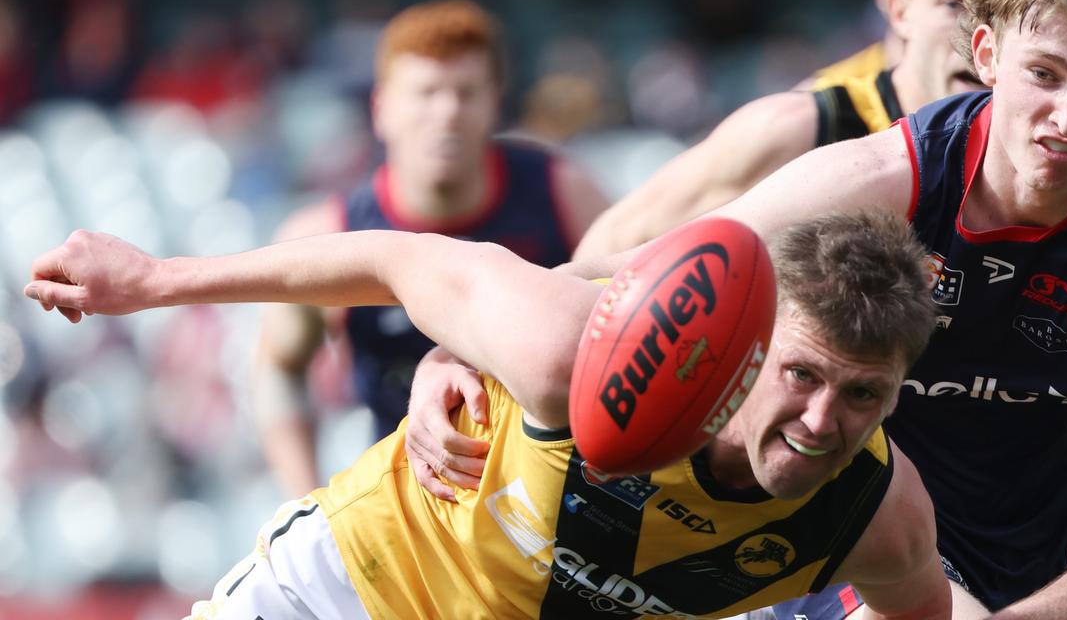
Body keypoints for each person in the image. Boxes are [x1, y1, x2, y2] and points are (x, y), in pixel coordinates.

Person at [418, 0, 1067, 618]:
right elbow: (637, 273)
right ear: (985, 54)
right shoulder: (871, 171)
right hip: (822, 513)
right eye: (1044, 76)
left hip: (1011, 562)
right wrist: (455, 348)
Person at [26, 212, 952, 619]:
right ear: (746, 348)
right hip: (346, 593)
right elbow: (399, 261)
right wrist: (154, 284)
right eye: (800, 375)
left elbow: (915, 612)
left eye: (863, 395)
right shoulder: (575, 353)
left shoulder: (877, 517)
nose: (823, 420)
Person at [253, 0, 609, 496]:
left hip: (555, 503)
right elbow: (281, 368)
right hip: (410, 518)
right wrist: (305, 497)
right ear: (382, 110)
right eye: (425, 93)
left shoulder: (563, 195)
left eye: (465, 92)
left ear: (495, 103)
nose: (446, 112)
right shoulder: (328, 236)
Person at [569, 0, 1047, 261]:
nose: (978, 33)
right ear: (894, 5)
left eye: (1007, 7)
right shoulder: (806, 128)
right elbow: (609, 250)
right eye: (951, 2)